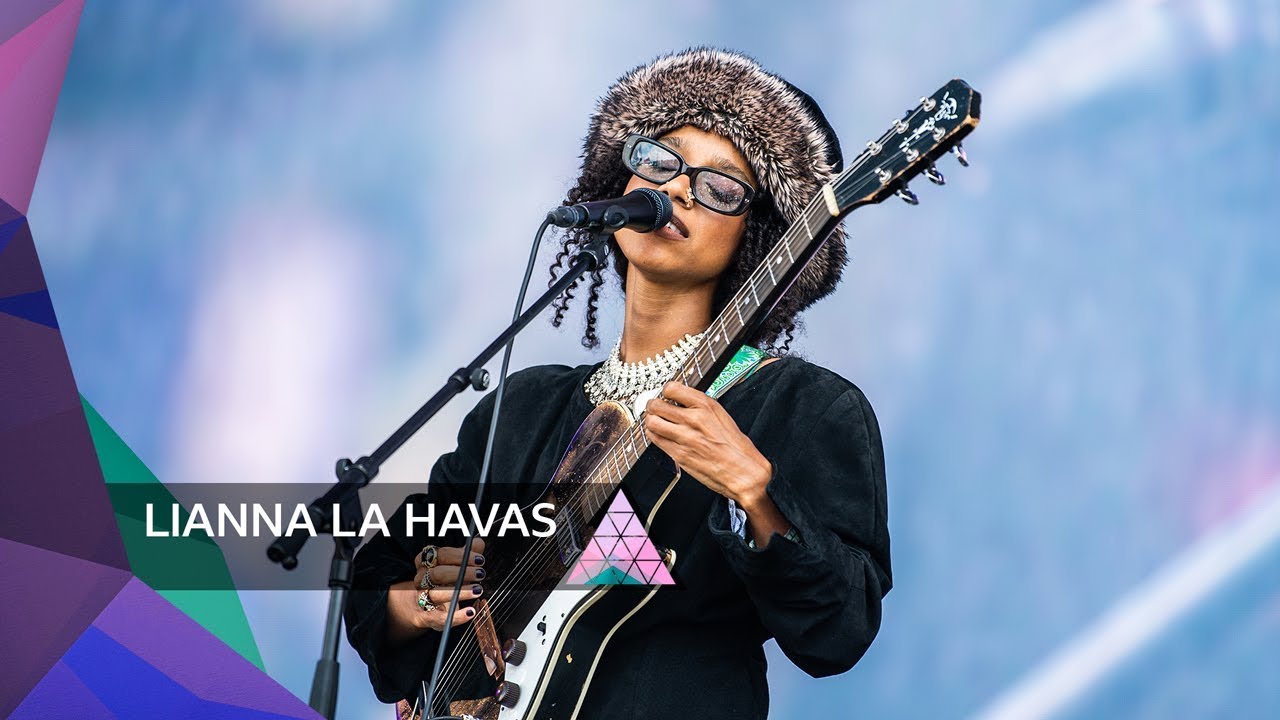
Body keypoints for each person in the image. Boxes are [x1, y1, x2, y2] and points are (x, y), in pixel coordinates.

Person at [344, 47, 892, 719]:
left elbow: (839, 630)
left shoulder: (796, 407)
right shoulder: (523, 409)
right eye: (661, 161)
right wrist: (415, 604)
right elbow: (383, 574)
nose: (680, 189)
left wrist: (755, 495)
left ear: (762, 237)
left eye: (722, 186)